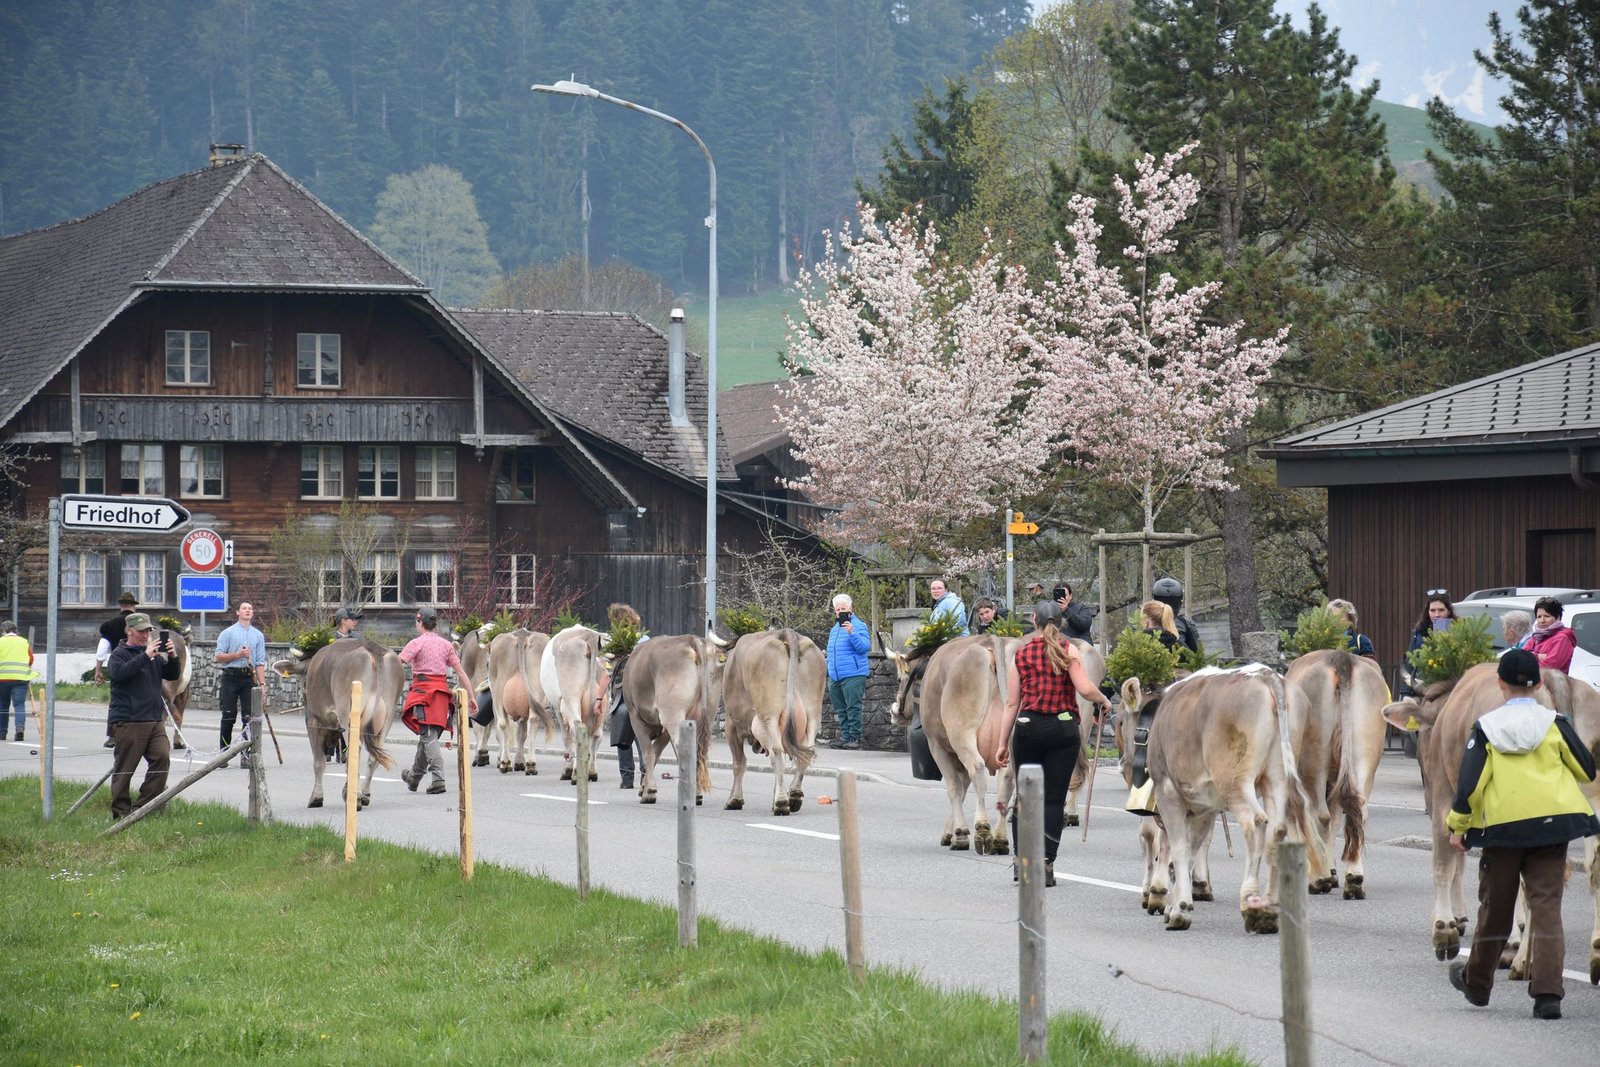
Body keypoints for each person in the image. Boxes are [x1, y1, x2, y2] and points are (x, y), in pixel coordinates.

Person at [1445, 649, 1599, 1019]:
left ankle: (1477, 984)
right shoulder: (1555, 723)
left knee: (1495, 907)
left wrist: (1458, 826)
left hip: (1504, 828)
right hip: (1552, 825)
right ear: (1540, 682)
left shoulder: (1486, 728)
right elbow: (1585, 769)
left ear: (1500, 684)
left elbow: (1470, 785)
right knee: (1546, 906)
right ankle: (1548, 995)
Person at [995, 601, 1112, 887]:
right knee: (1053, 800)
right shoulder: (1069, 650)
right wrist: (1103, 700)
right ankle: (1046, 864)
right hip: (1063, 730)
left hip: (1028, 728)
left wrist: (1002, 744)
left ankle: (1022, 863)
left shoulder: (1021, 654)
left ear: (1033, 619)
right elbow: (1084, 688)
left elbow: (1011, 703)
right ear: (1061, 622)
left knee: (1025, 798)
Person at [106, 613, 181, 821]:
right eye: (141, 631)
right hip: (129, 720)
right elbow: (120, 673)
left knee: (162, 758)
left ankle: (143, 808)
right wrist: (145, 656)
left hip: (154, 719)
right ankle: (121, 814)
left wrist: (173, 656)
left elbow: (172, 675)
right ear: (129, 631)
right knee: (125, 769)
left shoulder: (153, 655)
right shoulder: (119, 654)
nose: (145, 634)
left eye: (148, 630)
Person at [399, 607, 476, 795]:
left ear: (420, 622)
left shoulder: (416, 643)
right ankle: (414, 777)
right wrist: (471, 696)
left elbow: (396, 663)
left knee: (428, 737)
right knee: (428, 737)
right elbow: (461, 672)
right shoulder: (446, 645)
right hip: (441, 695)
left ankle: (438, 778)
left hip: (423, 693)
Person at [593, 602, 648, 789]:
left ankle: (627, 779)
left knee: (622, 738)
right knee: (643, 737)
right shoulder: (645, 640)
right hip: (643, 695)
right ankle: (646, 775)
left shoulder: (616, 644)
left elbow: (607, 675)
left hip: (622, 695)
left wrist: (599, 699)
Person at [215, 601, 267, 767]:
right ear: (237, 612)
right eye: (244, 608)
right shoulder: (228, 633)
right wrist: (237, 655)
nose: (247, 611)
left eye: (250, 609)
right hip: (231, 676)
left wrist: (262, 684)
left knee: (249, 717)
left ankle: (246, 754)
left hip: (249, 677)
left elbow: (260, 662)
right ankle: (224, 753)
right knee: (228, 716)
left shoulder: (258, 635)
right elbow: (219, 656)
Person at [93, 591, 140, 747]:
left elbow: (102, 650)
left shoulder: (109, 626)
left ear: (121, 606)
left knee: (116, 701)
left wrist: (98, 670)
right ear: (134, 607)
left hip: (118, 667)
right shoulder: (141, 624)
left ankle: (113, 736)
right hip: (140, 666)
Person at [826, 593, 870, 750]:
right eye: (838, 610)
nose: (840, 612)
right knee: (840, 709)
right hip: (835, 676)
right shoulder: (834, 629)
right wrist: (828, 669)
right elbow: (831, 652)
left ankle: (855, 738)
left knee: (853, 707)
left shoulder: (859, 626)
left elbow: (864, 647)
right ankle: (845, 737)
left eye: (843, 609)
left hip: (853, 674)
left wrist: (852, 632)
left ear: (850, 609)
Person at [1403, 590, 1457, 694]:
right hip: (1421, 689)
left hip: (1449, 690)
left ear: (1449, 611)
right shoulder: (1419, 632)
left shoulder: (1457, 632)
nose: (1437, 614)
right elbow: (1409, 664)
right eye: (1432, 610)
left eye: (1441, 610)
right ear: (1427, 612)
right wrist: (1404, 692)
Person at [0, 620, 35, 741]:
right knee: (19, 704)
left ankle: (2, 732)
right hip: (21, 678)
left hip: (3, 679)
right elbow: (30, 659)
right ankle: (19, 729)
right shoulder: (24, 642)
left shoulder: (0, 641)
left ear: (4, 630)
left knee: (3, 705)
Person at [1525, 596, 1576, 673]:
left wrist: (1534, 656)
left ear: (1557, 617)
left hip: (1551, 680)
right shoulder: (1536, 637)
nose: (1542, 620)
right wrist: (1541, 656)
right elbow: (1521, 657)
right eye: (1539, 617)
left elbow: (1551, 666)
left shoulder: (1562, 638)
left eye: (1547, 616)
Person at [1150, 577, 1200, 654]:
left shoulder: (1187, 624)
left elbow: (1196, 654)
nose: (1167, 607)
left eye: (1172, 601)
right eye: (1163, 601)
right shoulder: (1144, 623)